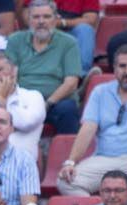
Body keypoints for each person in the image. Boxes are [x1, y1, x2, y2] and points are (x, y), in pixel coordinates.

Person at [57, 45, 127, 196]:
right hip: (104, 158)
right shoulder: (100, 92)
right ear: (114, 69)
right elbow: (87, 129)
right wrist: (71, 163)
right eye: (122, 66)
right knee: (65, 181)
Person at [5, 0, 83, 135]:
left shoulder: (69, 43)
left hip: (55, 102)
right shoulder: (15, 40)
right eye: (36, 17)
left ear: (55, 19)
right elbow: (11, 76)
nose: (41, 21)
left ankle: (68, 154)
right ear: (28, 20)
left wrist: (47, 104)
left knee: (68, 109)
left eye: (46, 16)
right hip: (24, 101)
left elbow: (71, 83)